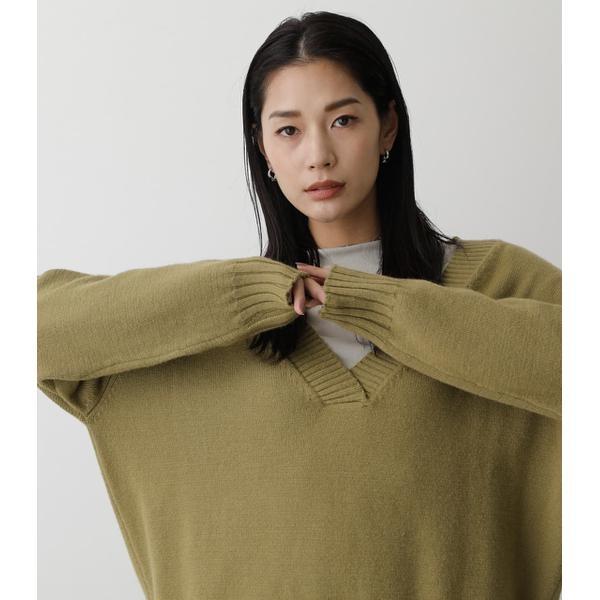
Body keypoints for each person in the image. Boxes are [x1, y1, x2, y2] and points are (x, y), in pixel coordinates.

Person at [38, 11, 561, 600]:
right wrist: (236, 294)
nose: (318, 155)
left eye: (343, 120)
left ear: (388, 127)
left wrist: (385, 308)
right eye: (288, 130)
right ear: (260, 145)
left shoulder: (496, 283)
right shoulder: (203, 326)